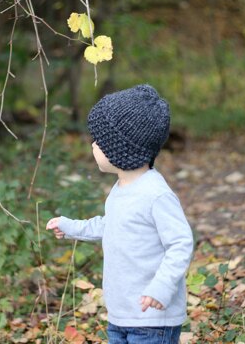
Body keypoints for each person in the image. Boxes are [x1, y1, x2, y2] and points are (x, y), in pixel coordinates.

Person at [46, 84, 194, 344]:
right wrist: (72, 227)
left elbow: (180, 244)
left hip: (152, 319)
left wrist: (161, 287)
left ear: (121, 149)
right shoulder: (121, 188)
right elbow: (111, 225)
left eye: (100, 141)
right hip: (121, 314)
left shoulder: (155, 194)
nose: (93, 145)